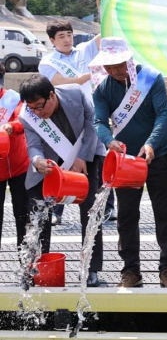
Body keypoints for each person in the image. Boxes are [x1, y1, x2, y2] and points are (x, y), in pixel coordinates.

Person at [92, 37, 167, 288]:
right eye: (108, 66)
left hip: (158, 154)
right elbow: (99, 121)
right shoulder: (102, 89)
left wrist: (151, 143)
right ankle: (130, 270)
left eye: (118, 64)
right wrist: (109, 141)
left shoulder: (151, 78)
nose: (114, 71)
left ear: (129, 59)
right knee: (127, 215)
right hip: (126, 160)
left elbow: (163, 114)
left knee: (166, 213)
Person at [19, 76, 105, 287]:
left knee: (90, 212)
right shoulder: (27, 116)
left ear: (52, 95)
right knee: (39, 213)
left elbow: (92, 123)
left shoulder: (75, 94)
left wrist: (82, 157)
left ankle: (91, 269)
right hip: (50, 164)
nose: (38, 113)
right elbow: (33, 145)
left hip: (84, 155)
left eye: (40, 106)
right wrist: (38, 161)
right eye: (33, 109)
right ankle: (36, 266)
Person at [38, 19, 115, 223]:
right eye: (61, 36)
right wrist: (84, 78)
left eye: (69, 35)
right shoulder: (47, 62)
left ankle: (107, 207)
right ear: (52, 40)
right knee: (63, 160)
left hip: (91, 114)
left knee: (99, 160)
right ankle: (57, 210)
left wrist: (102, 9)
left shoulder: (83, 50)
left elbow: (104, 35)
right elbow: (59, 82)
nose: (67, 39)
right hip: (65, 117)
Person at [0, 64, 29, 248]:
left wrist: (12, 127)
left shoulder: (12, 98)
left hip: (20, 168)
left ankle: (27, 269)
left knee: (24, 218)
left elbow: (23, 118)